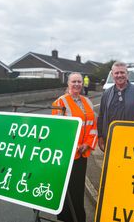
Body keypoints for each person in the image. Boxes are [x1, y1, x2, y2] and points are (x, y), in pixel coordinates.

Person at [52, 72, 97, 222]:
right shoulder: (60, 102)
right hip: (68, 154)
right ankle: (66, 218)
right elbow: (58, 131)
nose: (77, 84)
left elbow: (93, 127)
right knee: (67, 189)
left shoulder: (87, 101)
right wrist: (76, 146)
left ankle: (78, 217)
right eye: (74, 82)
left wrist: (88, 144)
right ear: (68, 84)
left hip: (83, 153)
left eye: (79, 81)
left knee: (78, 189)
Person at [97, 61, 134, 152]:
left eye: (122, 72)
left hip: (133, 140)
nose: (119, 75)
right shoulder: (107, 93)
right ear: (112, 75)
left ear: (127, 74)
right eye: (116, 73)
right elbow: (101, 116)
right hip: (111, 139)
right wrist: (100, 136)